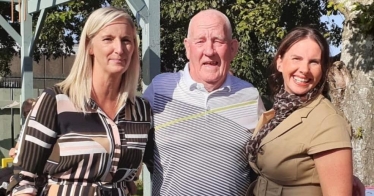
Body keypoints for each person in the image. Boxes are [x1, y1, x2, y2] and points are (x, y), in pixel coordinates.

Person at [7, 7, 154, 196]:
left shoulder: (141, 111)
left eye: (126, 40)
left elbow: (158, 165)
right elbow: (23, 179)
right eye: (108, 39)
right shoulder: (57, 101)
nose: (119, 49)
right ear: (90, 46)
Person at [143, 9, 265, 195]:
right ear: (187, 47)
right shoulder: (159, 89)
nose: (209, 51)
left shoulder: (250, 96)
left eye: (218, 41)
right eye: (200, 41)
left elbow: (264, 167)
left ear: (233, 48)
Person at [246, 26, 353, 196]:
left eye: (314, 62)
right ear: (280, 62)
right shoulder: (281, 110)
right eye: (296, 58)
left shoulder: (327, 121)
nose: (304, 69)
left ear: (323, 68)